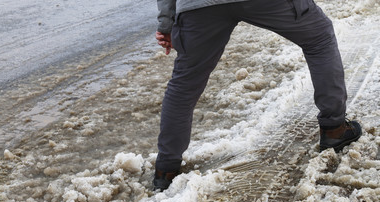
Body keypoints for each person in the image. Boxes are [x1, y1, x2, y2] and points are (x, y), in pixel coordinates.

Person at [153, 0, 362, 191]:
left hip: (198, 6)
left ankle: (166, 170)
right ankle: (334, 130)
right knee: (319, 38)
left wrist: (166, 23)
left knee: (184, 84)